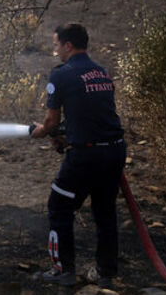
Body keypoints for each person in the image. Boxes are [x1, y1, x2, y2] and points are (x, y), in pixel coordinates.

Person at [29, 23, 125, 288]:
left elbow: (49, 122)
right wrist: (65, 135)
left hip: (87, 155)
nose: (55, 50)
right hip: (114, 151)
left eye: (57, 44)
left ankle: (62, 270)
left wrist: (41, 132)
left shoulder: (61, 74)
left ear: (68, 45)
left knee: (59, 206)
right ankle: (106, 272)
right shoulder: (102, 72)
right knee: (104, 211)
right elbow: (91, 112)